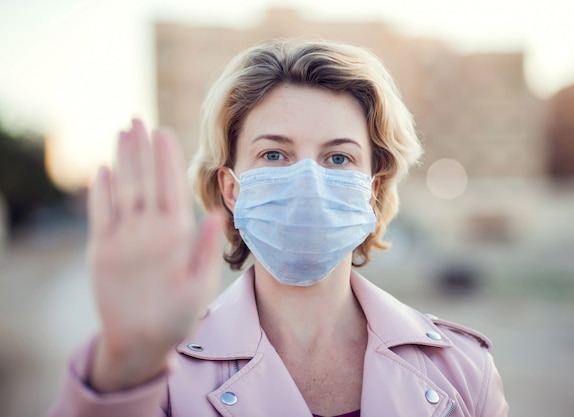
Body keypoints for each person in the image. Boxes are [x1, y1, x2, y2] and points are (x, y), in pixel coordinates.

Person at [47, 38, 508, 417]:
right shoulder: (161, 380)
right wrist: (122, 367)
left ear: (372, 189)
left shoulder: (463, 369)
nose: (308, 179)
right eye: (274, 154)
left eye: (338, 157)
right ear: (231, 188)